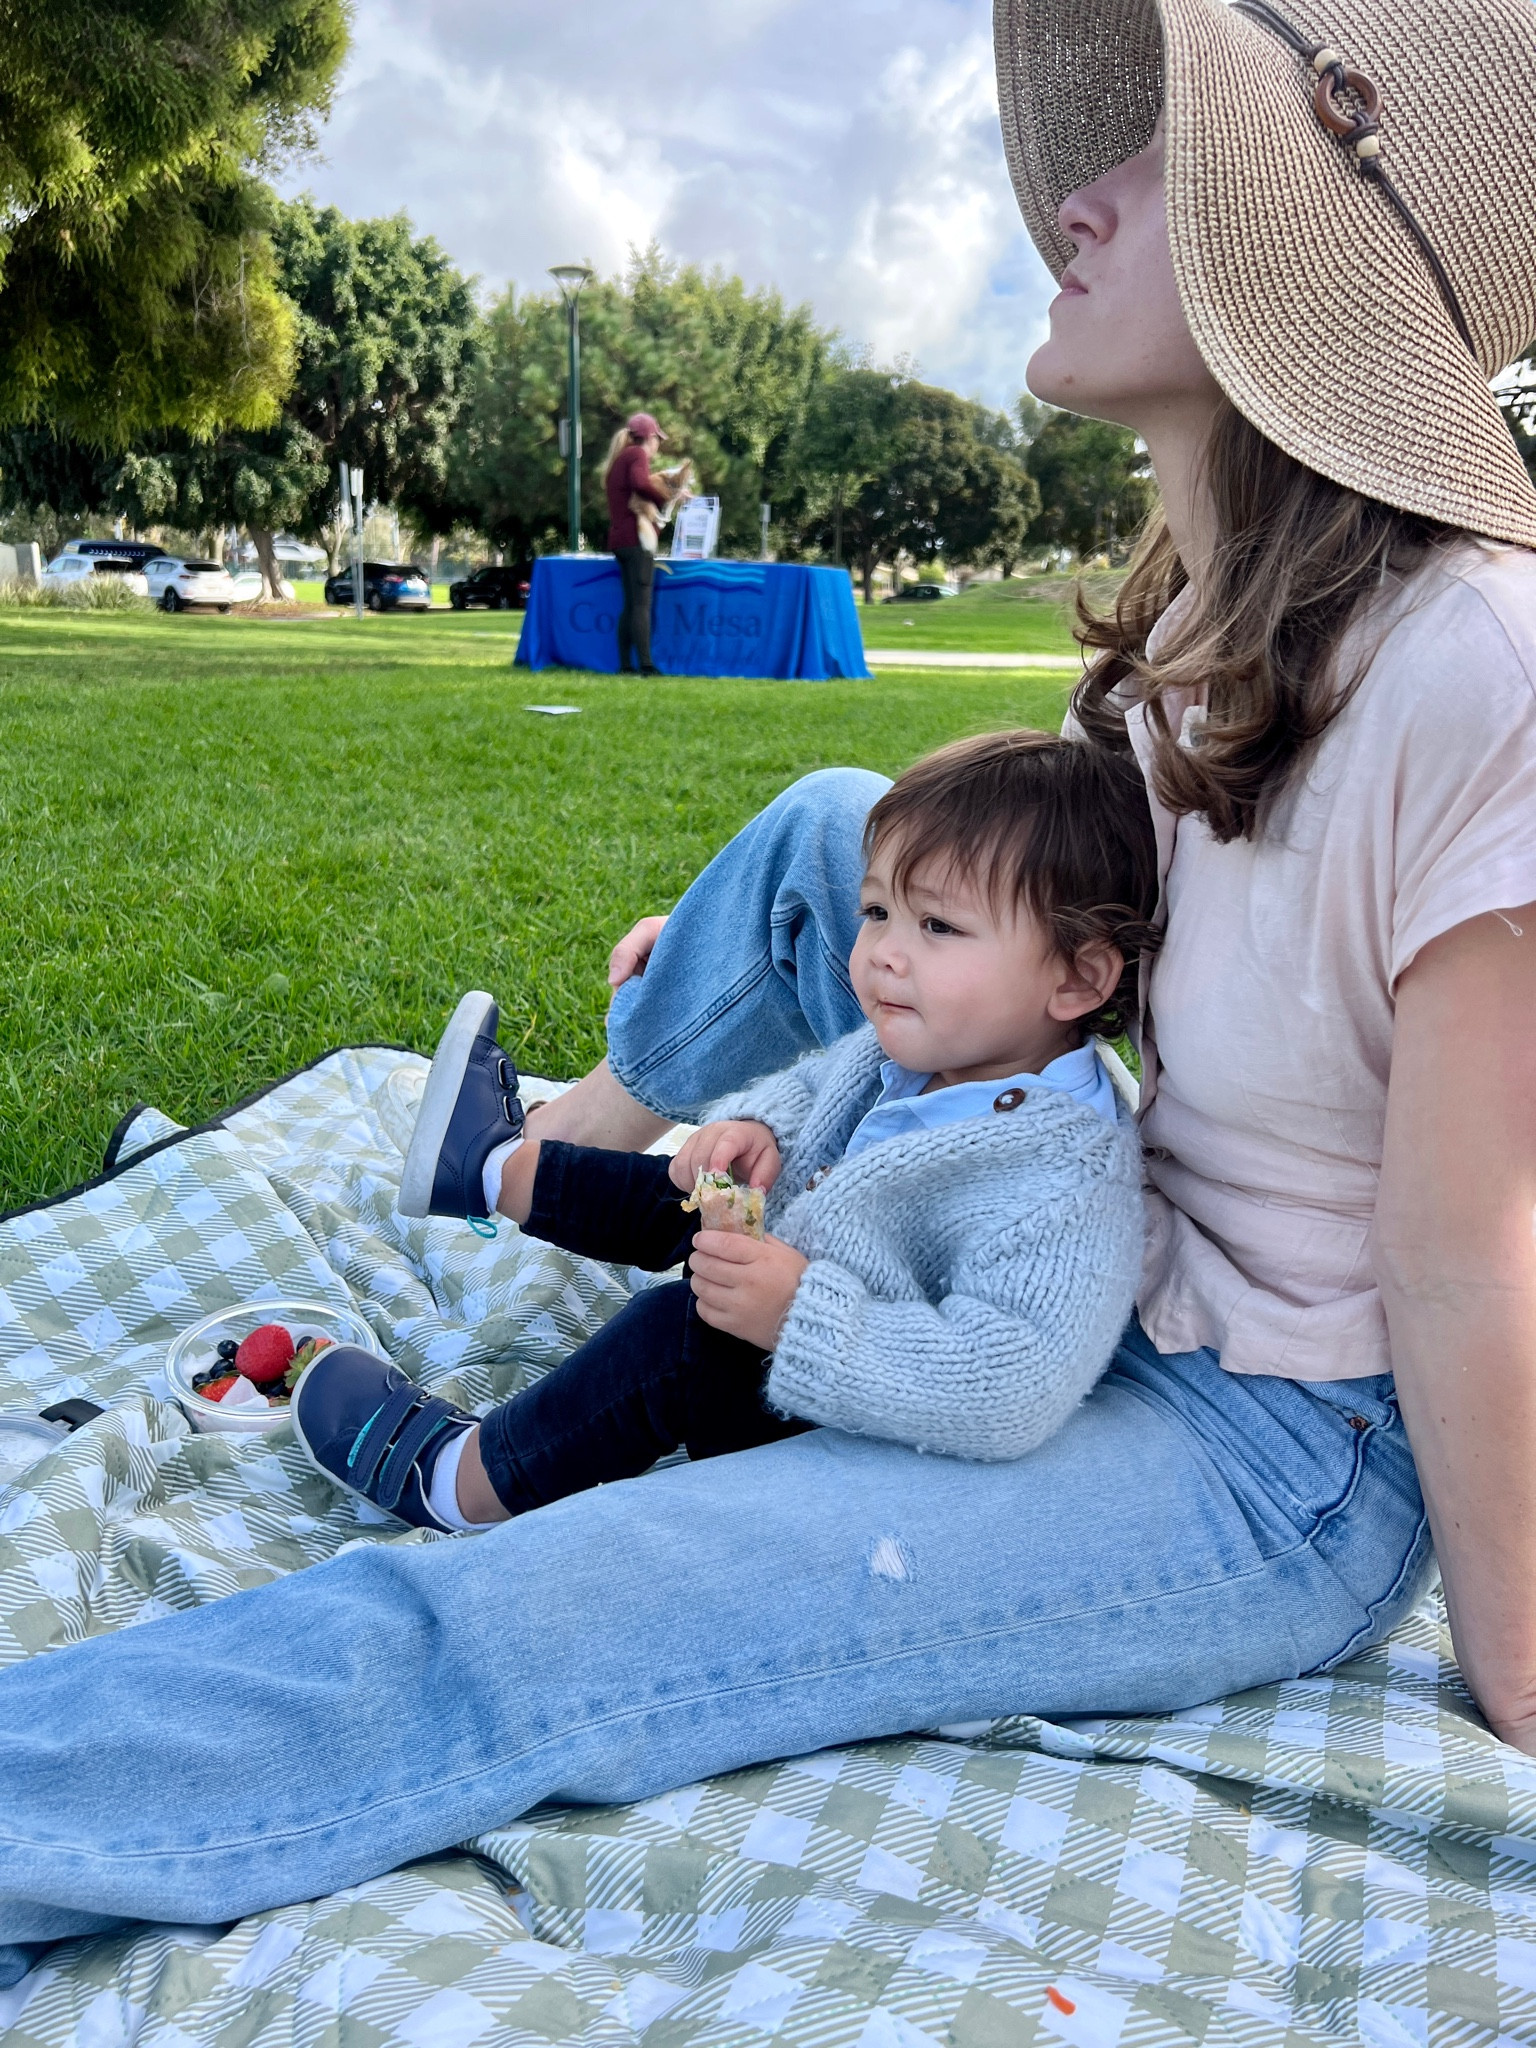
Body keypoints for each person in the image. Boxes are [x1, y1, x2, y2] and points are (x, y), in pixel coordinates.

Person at [3, 0, 1535, 1984]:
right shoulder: (1209, 633)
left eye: (1161, 156)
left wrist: (1515, 1665)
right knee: (850, 834)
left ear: (1303, 254)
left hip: (1263, 1452)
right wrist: (818, 937)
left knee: (538, 1611)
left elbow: (1466, 1243)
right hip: (1114, 1258)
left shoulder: (1479, 665)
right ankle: (562, 1138)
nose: (1071, 197)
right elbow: (1082, 923)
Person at [290, 733, 1157, 1530]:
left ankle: (459, 1482)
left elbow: (1008, 1388)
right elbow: (823, 1077)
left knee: (684, 1340)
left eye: (937, 926)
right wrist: (757, 1125)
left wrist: (799, 1317)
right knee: (696, 1189)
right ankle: (488, 1170)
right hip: (808, 1286)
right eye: (877, 912)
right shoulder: (954, 1042)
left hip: (855, 1429)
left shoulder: (1065, 1183)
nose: (884, 952)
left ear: (1078, 979)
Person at [602, 411, 682, 676]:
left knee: (629, 604)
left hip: (619, 540)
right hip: (636, 540)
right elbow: (640, 483)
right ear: (649, 438)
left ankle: (625, 665)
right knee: (641, 605)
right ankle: (646, 665)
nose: (659, 444)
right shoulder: (636, 455)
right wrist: (669, 494)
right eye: (658, 438)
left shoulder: (618, 460)